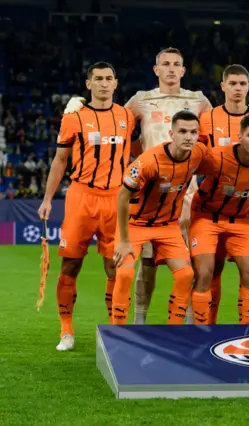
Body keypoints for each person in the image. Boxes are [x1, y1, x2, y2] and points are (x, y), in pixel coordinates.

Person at [63, 47, 212, 324]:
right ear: (156, 70)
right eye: (165, 64)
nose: (170, 69)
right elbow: (111, 121)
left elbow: (221, 127)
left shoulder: (199, 101)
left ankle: (188, 321)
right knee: (146, 263)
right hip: (147, 196)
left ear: (183, 70)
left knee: (191, 262)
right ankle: (139, 321)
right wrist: (80, 104)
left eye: (176, 64)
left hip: (186, 194)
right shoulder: (142, 100)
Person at [38, 62, 136, 351]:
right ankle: (66, 331)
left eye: (109, 79)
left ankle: (113, 330)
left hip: (116, 199)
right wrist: (46, 199)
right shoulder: (74, 117)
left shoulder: (127, 116)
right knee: (70, 264)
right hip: (81, 196)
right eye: (98, 79)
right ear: (88, 83)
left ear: (116, 83)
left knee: (114, 267)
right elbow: (60, 161)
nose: (104, 83)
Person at [111, 111, 212, 325]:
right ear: (171, 134)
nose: (188, 137)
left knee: (185, 275)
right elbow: (122, 197)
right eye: (182, 131)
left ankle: (174, 331)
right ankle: (117, 332)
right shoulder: (148, 162)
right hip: (135, 224)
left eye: (193, 132)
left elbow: (221, 164)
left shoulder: (199, 154)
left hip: (168, 226)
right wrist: (124, 241)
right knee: (125, 274)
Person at [190, 114, 249, 325]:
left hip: (240, 221)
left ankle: (244, 331)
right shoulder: (216, 157)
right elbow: (185, 168)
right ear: (240, 136)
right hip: (206, 218)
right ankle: (202, 330)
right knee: (205, 272)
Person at [196, 64, 249, 323]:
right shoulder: (208, 118)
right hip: (213, 205)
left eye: (243, 84)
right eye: (233, 83)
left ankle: (244, 330)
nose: (238, 88)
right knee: (210, 269)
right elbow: (198, 157)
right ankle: (208, 327)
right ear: (223, 86)